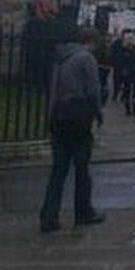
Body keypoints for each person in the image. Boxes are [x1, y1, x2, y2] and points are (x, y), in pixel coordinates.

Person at [39, 27, 105, 232]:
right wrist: (98, 114)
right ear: (91, 42)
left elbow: (52, 88)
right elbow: (93, 90)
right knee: (82, 168)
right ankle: (83, 212)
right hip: (78, 117)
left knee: (58, 170)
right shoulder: (86, 58)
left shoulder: (60, 57)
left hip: (58, 116)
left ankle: (49, 217)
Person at [117, 33, 135, 116]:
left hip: (129, 72)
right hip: (131, 72)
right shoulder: (133, 49)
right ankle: (132, 109)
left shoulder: (126, 49)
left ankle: (131, 109)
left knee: (129, 90)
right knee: (132, 91)